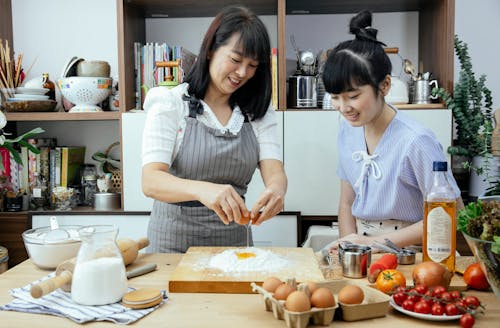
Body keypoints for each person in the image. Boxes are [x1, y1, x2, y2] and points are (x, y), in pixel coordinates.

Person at [141, 6, 287, 253]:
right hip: (173, 248)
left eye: (252, 65)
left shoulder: (256, 112)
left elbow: (275, 172)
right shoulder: (170, 103)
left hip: (234, 249)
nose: (242, 73)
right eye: (235, 60)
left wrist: (276, 191)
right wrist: (202, 189)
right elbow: (151, 181)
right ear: (210, 50)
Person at [321, 10, 464, 251]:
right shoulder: (348, 131)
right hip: (362, 250)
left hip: (411, 252)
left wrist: (375, 243)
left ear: (384, 85)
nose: (344, 108)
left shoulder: (416, 141)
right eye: (335, 97)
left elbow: (453, 214)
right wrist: (350, 247)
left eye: (353, 96)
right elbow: (346, 203)